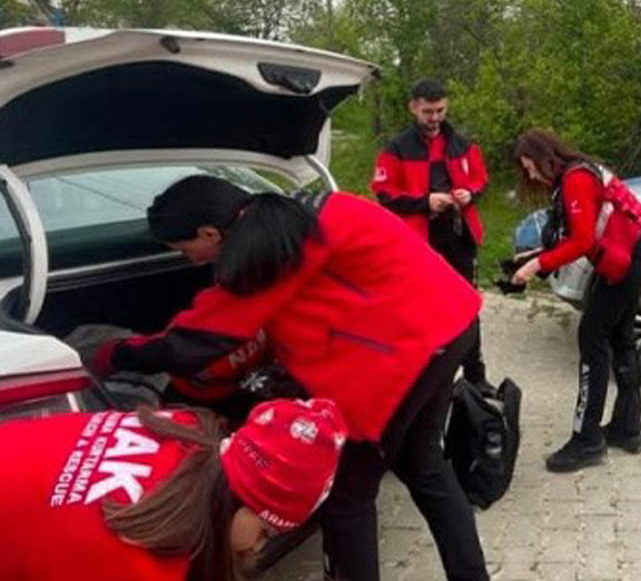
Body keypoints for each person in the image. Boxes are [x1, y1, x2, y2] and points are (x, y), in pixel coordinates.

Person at [90, 176, 489, 581]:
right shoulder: (308, 209)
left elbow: (198, 341)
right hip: (450, 323)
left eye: (184, 248)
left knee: (347, 500)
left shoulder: (265, 251)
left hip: (403, 358)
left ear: (210, 232)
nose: (190, 260)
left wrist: (110, 355)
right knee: (425, 467)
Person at [0, 398, 345, 581]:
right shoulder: (137, 562)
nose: (258, 546)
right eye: (266, 532)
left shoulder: (182, 430)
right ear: (243, 499)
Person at [510, 129, 641, 473]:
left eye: (530, 167)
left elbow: (582, 241)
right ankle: (627, 428)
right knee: (620, 338)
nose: (531, 176)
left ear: (545, 157)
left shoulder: (575, 180)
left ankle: (587, 441)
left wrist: (536, 265)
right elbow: (581, 235)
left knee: (591, 339)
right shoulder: (580, 170)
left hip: (625, 263)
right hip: (631, 257)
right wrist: (539, 255)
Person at [372, 77, 492, 392]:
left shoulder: (461, 143)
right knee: (420, 307)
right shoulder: (397, 147)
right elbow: (384, 193)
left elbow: (481, 178)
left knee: (468, 304)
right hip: (419, 237)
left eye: (439, 110)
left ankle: (475, 377)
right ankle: (419, 375)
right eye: (428, 111)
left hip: (458, 233)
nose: (435, 118)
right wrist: (425, 202)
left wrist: (470, 193)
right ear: (414, 108)